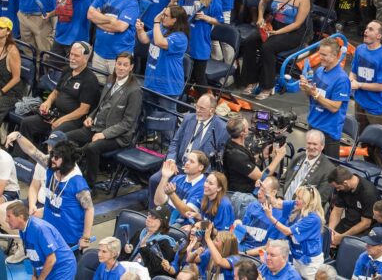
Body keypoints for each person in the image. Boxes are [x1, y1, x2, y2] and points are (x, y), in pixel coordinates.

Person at [63, 52, 142, 187]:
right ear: (115, 64)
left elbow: (127, 123)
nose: (121, 68)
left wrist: (103, 134)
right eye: (119, 64)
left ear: (131, 67)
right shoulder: (111, 79)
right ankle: (67, 174)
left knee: (91, 148)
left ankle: (89, 186)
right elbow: (101, 104)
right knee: (66, 137)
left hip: (117, 136)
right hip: (96, 127)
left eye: (125, 65)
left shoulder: (134, 90)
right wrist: (91, 116)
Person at [240, 0, 312, 99]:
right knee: (250, 41)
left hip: (292, 32)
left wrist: (278, 33)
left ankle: (267, 86)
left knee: (268, 47)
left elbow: (297, 24)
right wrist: (260, 17)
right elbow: (263, 1)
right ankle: (251, 80)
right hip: (273, 26)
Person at [147, 92, 228, 206]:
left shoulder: (221, 128)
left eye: (202, 108)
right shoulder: (188, 118)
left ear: (212, 110)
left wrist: (198, 171)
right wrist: (171, 160)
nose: (198, 110)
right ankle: (154, 214)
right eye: (197, 106)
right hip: (178, 165)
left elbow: (217, 158)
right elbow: (175, 142)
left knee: (184, 190)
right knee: (154, 180)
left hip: (198, 171)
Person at [301, 39, 350, 158]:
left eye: (324, 55)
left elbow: (335, 107)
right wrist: (306, 89)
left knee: (330, 171)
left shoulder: (342, 79)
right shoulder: (319, 71)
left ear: (334, 56)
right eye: (319, 53)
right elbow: (312, 97)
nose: (320, 57)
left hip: (329, 131)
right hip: (313, 124)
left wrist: (315, 94)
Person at [5, 201, 75, 280]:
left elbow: (51, 259)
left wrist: (40, 278)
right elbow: (32, 255)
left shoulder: (39, 229)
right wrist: (34, 275)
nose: (6, 220)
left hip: (62, 268)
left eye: (9, 216)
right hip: (48, 267)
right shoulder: (23, 230)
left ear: (20, 217)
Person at [327, 167, 379, 243]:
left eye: (338, 187)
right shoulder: (343, 187)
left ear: (345, 183)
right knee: (326, 236)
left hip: (366, 229)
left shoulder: (368, 193)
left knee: (345, 244)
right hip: (349, 221)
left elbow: (366, 223)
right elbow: (337, 210)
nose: (337, 190)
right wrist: (330, 231)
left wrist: (342, 237)